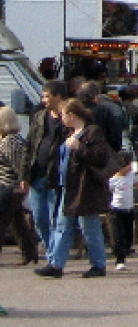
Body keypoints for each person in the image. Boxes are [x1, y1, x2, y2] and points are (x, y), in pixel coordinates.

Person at [36, 99, 111, 279]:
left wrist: (80, 148)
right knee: (62, 225)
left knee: (89, 226)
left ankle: (98, 265)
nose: (61, 119)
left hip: (85, 187)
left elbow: (101, 157)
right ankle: (55, 264)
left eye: (63, 115)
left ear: (71, 116)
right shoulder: (69, 133)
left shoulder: (92, 132)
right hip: (67, 186)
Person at [20, 80, 68, 255]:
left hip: (56, 177)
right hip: (37, 176)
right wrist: (24, 176)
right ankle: (50, 252)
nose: (44, 100)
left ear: (58, 97)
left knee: (56, 220)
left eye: (47, 96)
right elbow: (29, 146)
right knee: (39, 219)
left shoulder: (66, 119)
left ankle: (55, 257)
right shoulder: (40, 116)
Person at [0, 105, 41, 265]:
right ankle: (30, 252)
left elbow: (19, 165)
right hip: (9, 186)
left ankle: (29, 252)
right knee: (17, 222)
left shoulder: (10, 141)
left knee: (2, 221)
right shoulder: (8, 139)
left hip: (9, 186)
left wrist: (22, 183)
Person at [107, 151, 137, 271]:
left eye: (130, 165)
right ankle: (119, 259)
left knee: (129, 236)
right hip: (116, 210)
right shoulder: (112, 179)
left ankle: (126, 249)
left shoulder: (131, 176)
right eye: (126, 166)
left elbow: (137, 183)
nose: (129, 168)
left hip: (129, 210)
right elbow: (108, 192)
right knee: (118, 235)